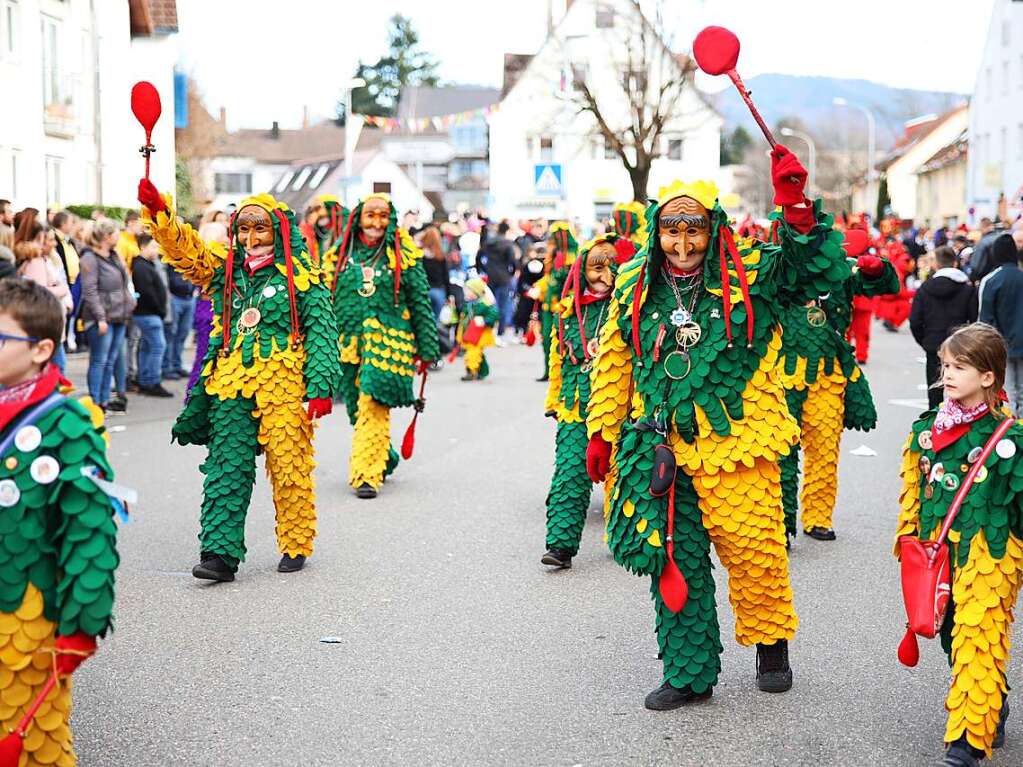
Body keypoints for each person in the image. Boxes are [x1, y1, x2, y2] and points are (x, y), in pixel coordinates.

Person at [586, 147, 849, 710]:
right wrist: (602, 433)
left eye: (694, 231)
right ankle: (689, 672)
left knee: (753, 549)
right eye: (671, 232)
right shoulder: (635, 283)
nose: (682, 245)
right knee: (674, 560)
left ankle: (771, 644)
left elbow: (811, 270)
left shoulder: (749, 273)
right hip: (662, 447)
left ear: (714, 229)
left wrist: (796, 209)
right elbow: (614, 359)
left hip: (740, 443)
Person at [138, 178, 342, 580]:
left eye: (259, 228)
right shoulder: (226, 271)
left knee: (288, 465)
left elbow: (321, 333)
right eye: (243, 228)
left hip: (283, 384)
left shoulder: (305, 277)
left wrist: (320, 388)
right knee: (226, 465)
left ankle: (296, 541)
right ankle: (219, 554)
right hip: (230, 382)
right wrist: (160, 212)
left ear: (279, 231)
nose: (250, 237)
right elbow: (187, 252)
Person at [0, 279, 120, 767]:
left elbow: (89, 530)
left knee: (32, 740)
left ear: (41, 349)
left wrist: (82, 624)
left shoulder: (69, 424)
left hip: (24, 617)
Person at [893, 323, 1022, 766]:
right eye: (945, 364)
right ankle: (994, 697)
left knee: (977, 635)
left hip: (990, 553)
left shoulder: (1011, 439)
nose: (946, 373)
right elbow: (913, 494)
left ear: (988, 376)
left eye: (959, 366)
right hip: (939, 555)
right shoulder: (926, 431)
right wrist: (909, 542)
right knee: (951, 634)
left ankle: (966, 744)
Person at [777, 227, 899, 541]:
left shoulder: (841, 273)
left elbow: (885, 284)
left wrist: (877, 267)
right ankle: (779, 520)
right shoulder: (778, 271)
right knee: (781, 450)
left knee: (824, 448)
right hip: (782, 375)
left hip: (828, 376)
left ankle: (817, 517)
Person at [322, 192, 440, 500]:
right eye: (370, 215)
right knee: (355, 411)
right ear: (359, 218)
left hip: (388, 345)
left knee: (373, 407)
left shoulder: (405, 255)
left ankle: (366, 474)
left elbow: (420, 303)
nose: (376, 222)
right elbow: (322, 300)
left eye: (382, 216)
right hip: (346, 345)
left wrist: (427, 349)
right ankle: (384, 456)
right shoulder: (338, 255)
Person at [541, 234, 620, 569]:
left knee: (622, 476)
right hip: (574, 407)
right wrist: (553, 400)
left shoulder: (626, 308)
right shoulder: (567, 314)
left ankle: (622, 539)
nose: (603, 275)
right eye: (596, 268)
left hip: (619, 409)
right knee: (570, 473)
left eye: (610, 268)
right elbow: (557, 360)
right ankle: (560, 545)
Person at [910, 246, 978, 408]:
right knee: (963, 390)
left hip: (934, 344)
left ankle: (935, 428)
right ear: (955, 263)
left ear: (936, 264)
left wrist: (925, 341)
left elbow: (915, 321)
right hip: (960, 345)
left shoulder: (925, 288)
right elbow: (974, 321)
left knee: (934, 392)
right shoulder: (967, 289)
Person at [78, 220, 134, 413]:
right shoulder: (90, 258)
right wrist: (100, 318)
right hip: (102, 317)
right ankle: (95, 402)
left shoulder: (114, 256)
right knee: (99, 360)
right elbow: (90, 291)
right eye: (116, 233)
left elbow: (123, 284)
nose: (119, 236)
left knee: (110, 359)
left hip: (119, 315)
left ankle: (103, 400)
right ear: (106, 236)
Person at [979, 233, 1023, 413]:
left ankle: (1014, 433)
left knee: (1008, 393)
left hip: (1001, 345)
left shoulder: (992, 280)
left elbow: (986, 320)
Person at [14, 240, 73, 371]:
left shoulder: (41, 261)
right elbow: (41, 293)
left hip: (44, 323)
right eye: (50, 239)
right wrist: (62, 289)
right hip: (43, 323)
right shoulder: (36, 263)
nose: (54, 244)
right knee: (57, 366)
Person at [185, 222, 228, 399]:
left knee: (209, 357)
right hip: (208, 310)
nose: (227, 238)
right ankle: (194, 395)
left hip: (209, 309)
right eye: (223, 234)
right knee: (205, 356)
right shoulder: (209, 260)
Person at [131, 233, 173, 398]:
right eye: (154, 246)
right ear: (143, 247)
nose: (157, 250)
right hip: (148, 313)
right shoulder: (141, 267)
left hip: (150, 313)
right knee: (158, 345)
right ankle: (153, 381)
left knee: (147, 346)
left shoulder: (147, 265)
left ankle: (144, 380)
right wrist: (160, 309)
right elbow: (147, 292)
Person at [535, 223, 577, 382]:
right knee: (546, 338)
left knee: (564, 341)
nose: (549, 241)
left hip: (564, 306)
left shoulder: (571, 256)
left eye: (552, 238)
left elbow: (564, 279)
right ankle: (549, 371)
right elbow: (550, 277)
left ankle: (561, 375)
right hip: (548, 305)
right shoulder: (553, 255)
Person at [477, 220, 518, 337]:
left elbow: (479, 256)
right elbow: (513, 261)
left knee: (489, 304)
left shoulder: (489, 243)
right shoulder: (507, 244)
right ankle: (500, 331)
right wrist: (512, 273)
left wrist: (483, 269)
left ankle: (489, 329)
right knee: (503, 305)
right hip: (504, 277)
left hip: (490, 276)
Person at [457, 276, 499, 381]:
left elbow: (494, 314)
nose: (465, 293)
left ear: (476, 292)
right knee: (476, 352)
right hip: (470, 333)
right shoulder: (468, 304)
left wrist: (485, 321)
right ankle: (483, 370)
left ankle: (471, 371)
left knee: (473, 352)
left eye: (468, 290)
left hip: (480, 333)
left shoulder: (485, 304)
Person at [162, 254, 196, 381]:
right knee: (171, 333)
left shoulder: (191, 254)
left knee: (183, 333)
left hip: (189, 297)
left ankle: (177, 365)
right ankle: (167, 367)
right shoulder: (170, 255)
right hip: (175, 297)